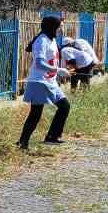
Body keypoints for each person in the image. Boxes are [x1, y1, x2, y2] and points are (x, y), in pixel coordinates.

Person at [18, 15, 71, 150]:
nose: (61, 30)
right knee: (35, 114)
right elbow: (40, 63)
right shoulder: (41, 41)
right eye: (60, 27)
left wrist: (58, 73)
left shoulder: (51, 39)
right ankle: (22, 143)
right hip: (39, 81)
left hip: (50, 81)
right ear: (52, 27)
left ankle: (52, 137)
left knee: (64, 106)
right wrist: (58, 70)